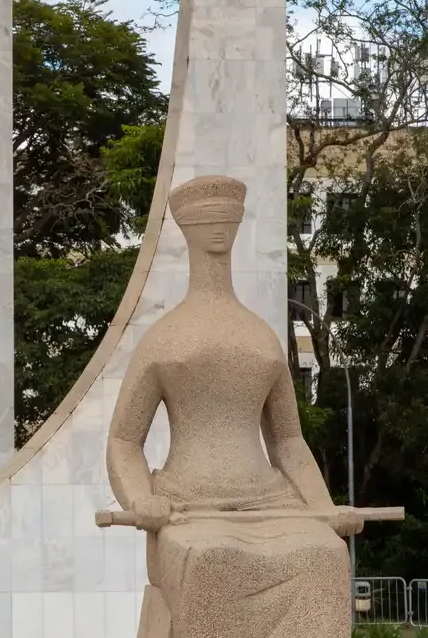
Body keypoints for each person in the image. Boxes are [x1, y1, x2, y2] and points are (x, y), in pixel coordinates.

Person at [105, 175, 359, 638]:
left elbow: (288, 440)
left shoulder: (261, 337)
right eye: (208, 217)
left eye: (227, 217)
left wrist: (324, 508)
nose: (219, 226)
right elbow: (124, 440)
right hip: (189, 504)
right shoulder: (164, 338)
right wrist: (142, 500)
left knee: (325, 555)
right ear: (187, 228)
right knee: (214, 560)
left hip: (271, 502)